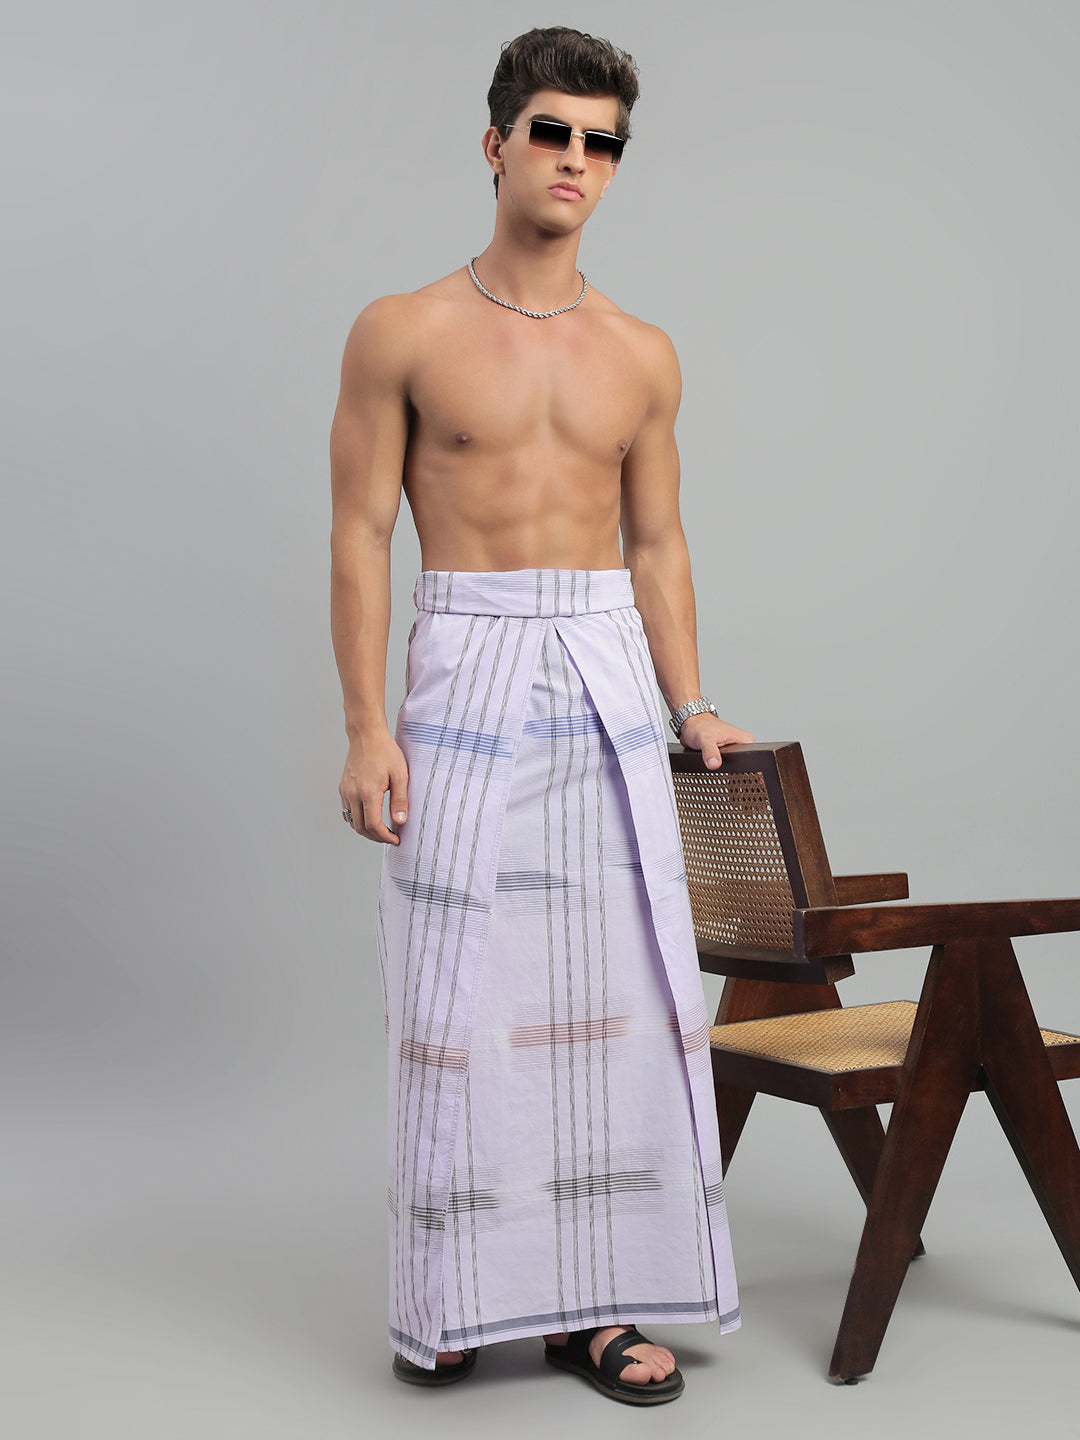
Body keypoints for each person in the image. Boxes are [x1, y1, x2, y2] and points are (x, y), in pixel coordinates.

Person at [330, 26, 752, 1406]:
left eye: (602, 142)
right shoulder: (401, 330)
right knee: (455, 998)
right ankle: (454, 1298)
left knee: (623, 999)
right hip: (465, 661)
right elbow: (360, 532)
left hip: (606, 672)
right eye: (554, 131)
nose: (577, 159)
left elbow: (659, 544)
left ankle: (600, 1309)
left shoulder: (642, 352)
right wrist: (365, 724)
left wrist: (691, 703)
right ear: (498, 142)